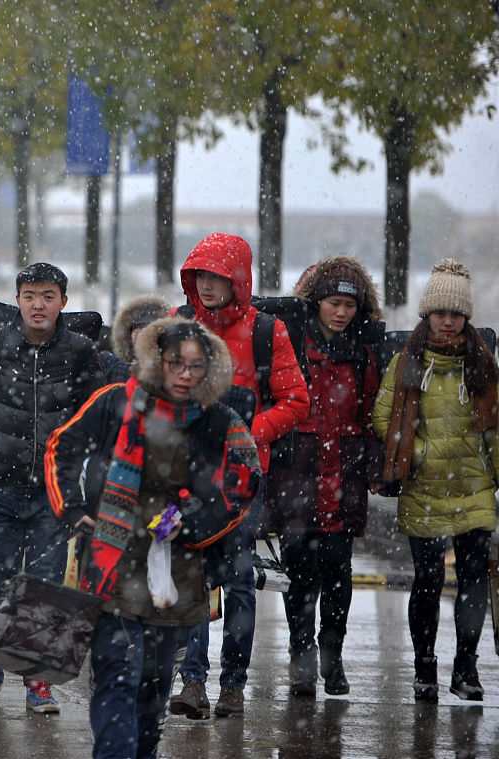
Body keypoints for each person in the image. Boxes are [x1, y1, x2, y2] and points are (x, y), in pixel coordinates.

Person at [45, 317, 262, 759]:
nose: (185, 374)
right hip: (111, 562)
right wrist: (73, 510)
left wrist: (194, 521)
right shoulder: (116, 401)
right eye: (176, 363)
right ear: (155, 360)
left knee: (154, 691)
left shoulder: (218, 417)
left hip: (177, 572)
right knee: (116, 680)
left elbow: (246, 481)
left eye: (196, 366)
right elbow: (61, 446)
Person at [0, 261, 102, 713]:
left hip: (54, 489)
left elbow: (97, 411)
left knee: (47, 584)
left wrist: (73, 456)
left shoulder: (79, 351)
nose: (38, 304)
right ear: (17, 300)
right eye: (30, 295)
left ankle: (38, 682)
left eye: (48, 296)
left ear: (63, 303)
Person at [169, 232, 310, 719]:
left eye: (217, 277)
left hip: (243, 479)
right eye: (199, 276)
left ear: (239, 280)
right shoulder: (178, 323)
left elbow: (296, 400)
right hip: (188, 475)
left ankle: (232, 684)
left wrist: (248, 434)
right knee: (190, 577)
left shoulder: (267, 331)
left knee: (239, 580)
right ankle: (191, 682)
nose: (206, 286)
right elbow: (154, 389)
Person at [373, 258, 499, 703]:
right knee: (426, 581)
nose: (448, 322)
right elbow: (384, 417)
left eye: (456, 314)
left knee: (473, 580)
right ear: (427, 315)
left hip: (474, 489)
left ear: (466, 317)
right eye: (440, 313)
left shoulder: (483, 364)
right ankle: (424, 667)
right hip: (425, 487)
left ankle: (466, 668)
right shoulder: (407, 362)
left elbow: (496, 429)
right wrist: (420, 454)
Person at [265, 257, 382, 697]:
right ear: (316, 303)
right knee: (299, 575)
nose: (341, 312)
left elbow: (369, 415)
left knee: (338, 572)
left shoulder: (363, 355)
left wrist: (373, 467)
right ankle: (302, 657)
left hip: (344, 477)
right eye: (333, 303)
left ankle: (332, 659)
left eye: (349, 305)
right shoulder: (292, 348)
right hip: (299, 477)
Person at [98, 295, 173, 385]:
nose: (144, 336)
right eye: (140, 329)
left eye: (150, 330)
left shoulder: (171, 370)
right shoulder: (115, 367)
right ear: (128, 335)